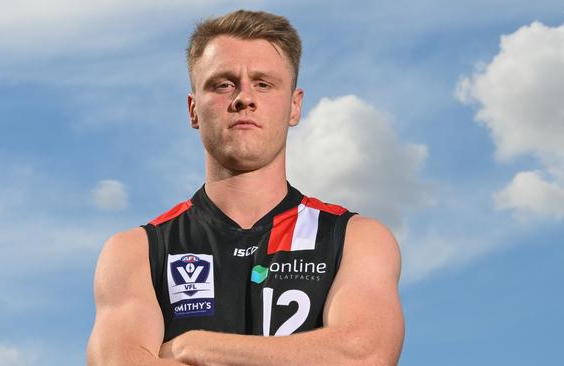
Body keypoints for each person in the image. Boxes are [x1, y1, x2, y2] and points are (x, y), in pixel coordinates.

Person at [87, 9, 404, 366]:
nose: (243, 98)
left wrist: (197, 347)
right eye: (223, 84)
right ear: (193, 110)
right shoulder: (136, 252)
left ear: (294, 106)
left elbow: (363, 355)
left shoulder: (355, 239)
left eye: (263, 84)